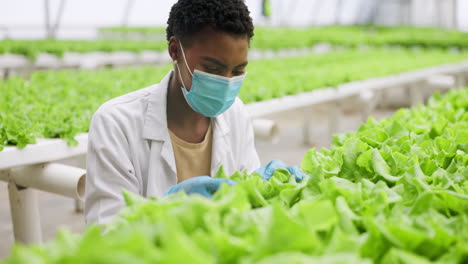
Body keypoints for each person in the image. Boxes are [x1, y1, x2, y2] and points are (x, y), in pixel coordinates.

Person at [84, 0, 306, 225]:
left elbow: (247, 206)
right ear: (174, 50)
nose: (227, 82)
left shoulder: (236, 113)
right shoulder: (116, 123)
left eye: (238, 71)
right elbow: (106, 231)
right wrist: (167, 209)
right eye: (212, 69)